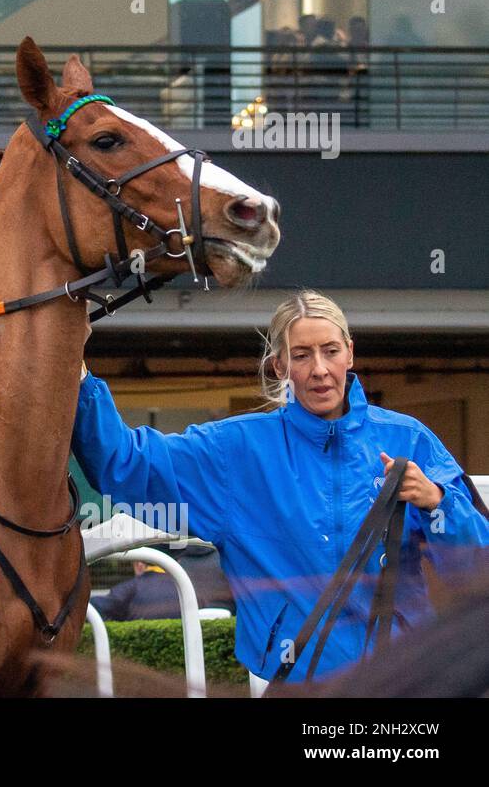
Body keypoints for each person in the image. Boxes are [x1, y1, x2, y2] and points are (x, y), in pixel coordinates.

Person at [72, 290, 489, 683]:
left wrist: (437, 503)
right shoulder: (236, 450)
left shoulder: (409, 438)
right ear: (280, 366)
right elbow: (126, 464)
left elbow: (477, 566)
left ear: (350, 353)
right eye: (302, 356)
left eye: (330, 351)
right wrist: (75, 368)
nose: (320, 369)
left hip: (404, 681)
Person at [91, 544, 234, 622]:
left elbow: (96, 607)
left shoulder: (131, 588)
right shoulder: (191, 590)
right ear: (176, 562)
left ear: (139, 565)